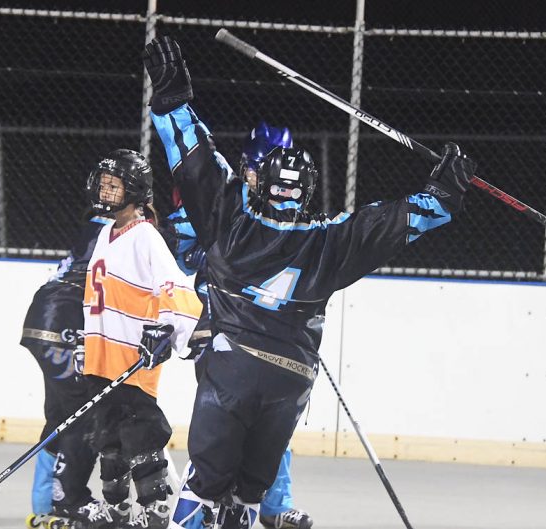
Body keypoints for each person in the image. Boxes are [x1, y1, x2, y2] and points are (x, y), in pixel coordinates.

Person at [143, 36, 476, 529]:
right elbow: (392, 222)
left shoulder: (233, 220)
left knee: (205, 486)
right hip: (291, 378)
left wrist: (173, 102)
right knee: (250, 495)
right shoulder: (331, 240)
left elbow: (197, 163)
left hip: (231, 367)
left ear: (258, 178)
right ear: (309, 190)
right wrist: (444, 193)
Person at [163, 122, 313, 529]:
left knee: (272, 420)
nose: (265, 177)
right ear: (247, 164)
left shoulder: (288, 214)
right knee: (223, 431)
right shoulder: (223, 198)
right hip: (222, 330)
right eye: (257, 167)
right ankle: (208, 505)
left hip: (270, 335)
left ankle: (272, 504)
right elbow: (181, 249)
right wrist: (215, 269)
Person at [73, 148, 203, 529]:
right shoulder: (104, 234)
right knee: (110, 450)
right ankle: (119, 517)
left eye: (114, 186)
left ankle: (156, 516)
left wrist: (166, 329)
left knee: (142, 447)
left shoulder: (145, 236)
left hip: (131, 363)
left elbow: (174, 288)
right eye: (104, 184)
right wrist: (85, 341)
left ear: (135, 191)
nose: (105, 191)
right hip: (101, 362)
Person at [20, 211, 110, 529]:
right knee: (84, 414)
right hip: (59, 326)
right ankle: (68, 502)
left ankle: (42, 508)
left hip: (48, 322)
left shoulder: (98, 224)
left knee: (61, 417)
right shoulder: (114, 229)